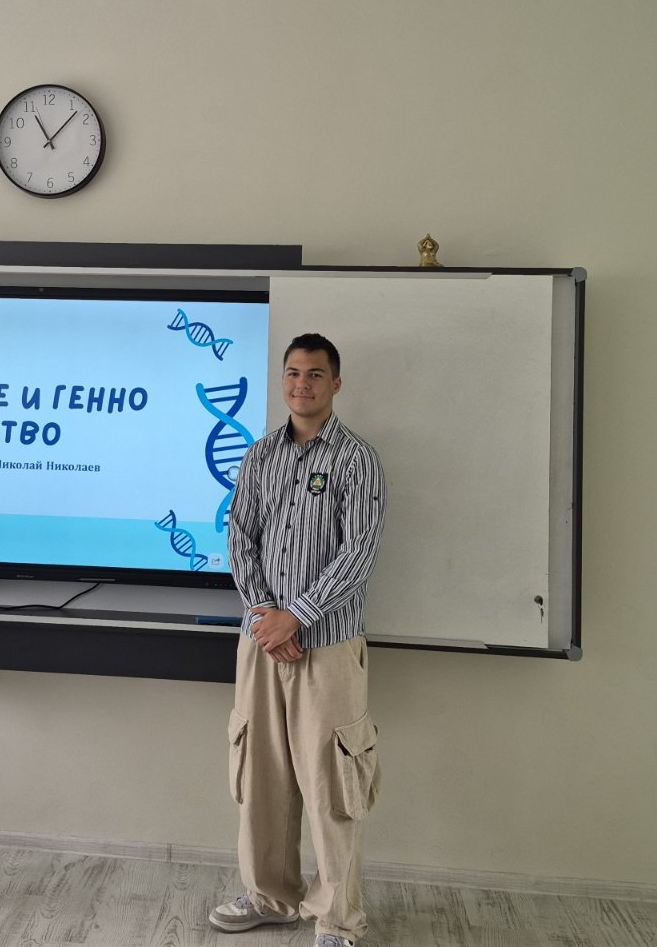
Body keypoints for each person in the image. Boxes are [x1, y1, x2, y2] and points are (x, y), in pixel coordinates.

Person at [210, 333, 387, 947]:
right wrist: (267, 616)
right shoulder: (259, 455)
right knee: (260, 777)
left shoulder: (357, 459)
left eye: (314, 374)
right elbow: (240, 538)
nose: (301, 384)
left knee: (332, 785)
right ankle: (271, 896)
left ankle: (337, 919)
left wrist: (298, 617)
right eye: (292, 373)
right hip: (261, 642)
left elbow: (359, 551)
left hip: (328, 646)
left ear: (335, 383)